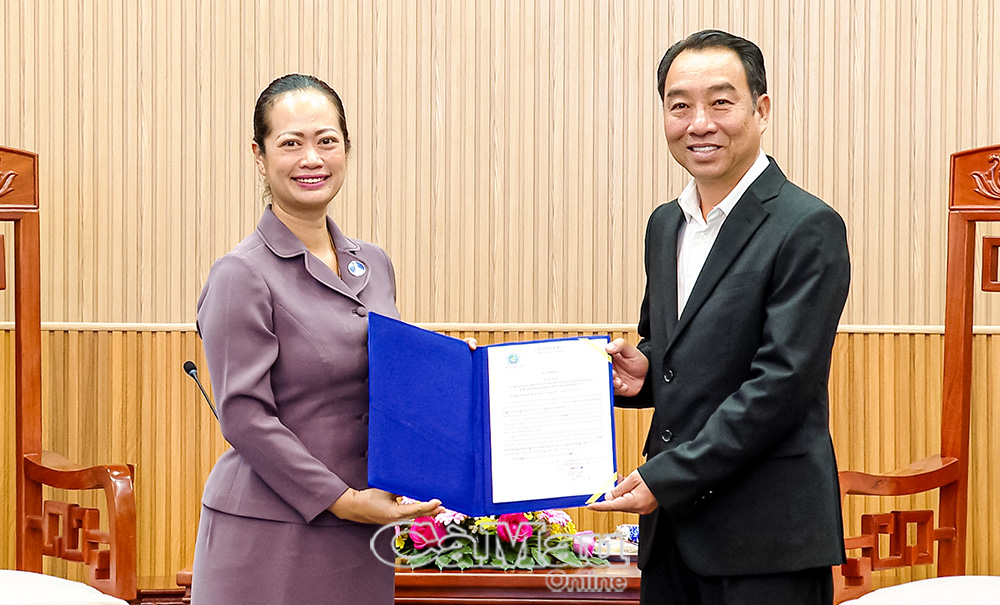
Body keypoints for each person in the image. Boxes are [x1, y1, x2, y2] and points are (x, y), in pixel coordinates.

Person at [590, 30, 851, 605]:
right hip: (673, 536)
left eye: (721, 102)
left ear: (761, 110)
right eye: (680, 105)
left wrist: (667, 478)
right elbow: (669, 348)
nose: (699, 123)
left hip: (766, 539)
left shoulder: (807, 225)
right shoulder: (665, 224)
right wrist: (643, 370)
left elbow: (782, 384)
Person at [191, 74, 443, 604]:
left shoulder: (374, 263)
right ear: (259, 156)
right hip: (271, 533)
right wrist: (344, 500)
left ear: (347, 148)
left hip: (363, 530)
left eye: (327, 140)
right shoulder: (241, 274)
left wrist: (451, 374)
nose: (312, 158)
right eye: (291, 143)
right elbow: (245, 417)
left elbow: (387, 381)